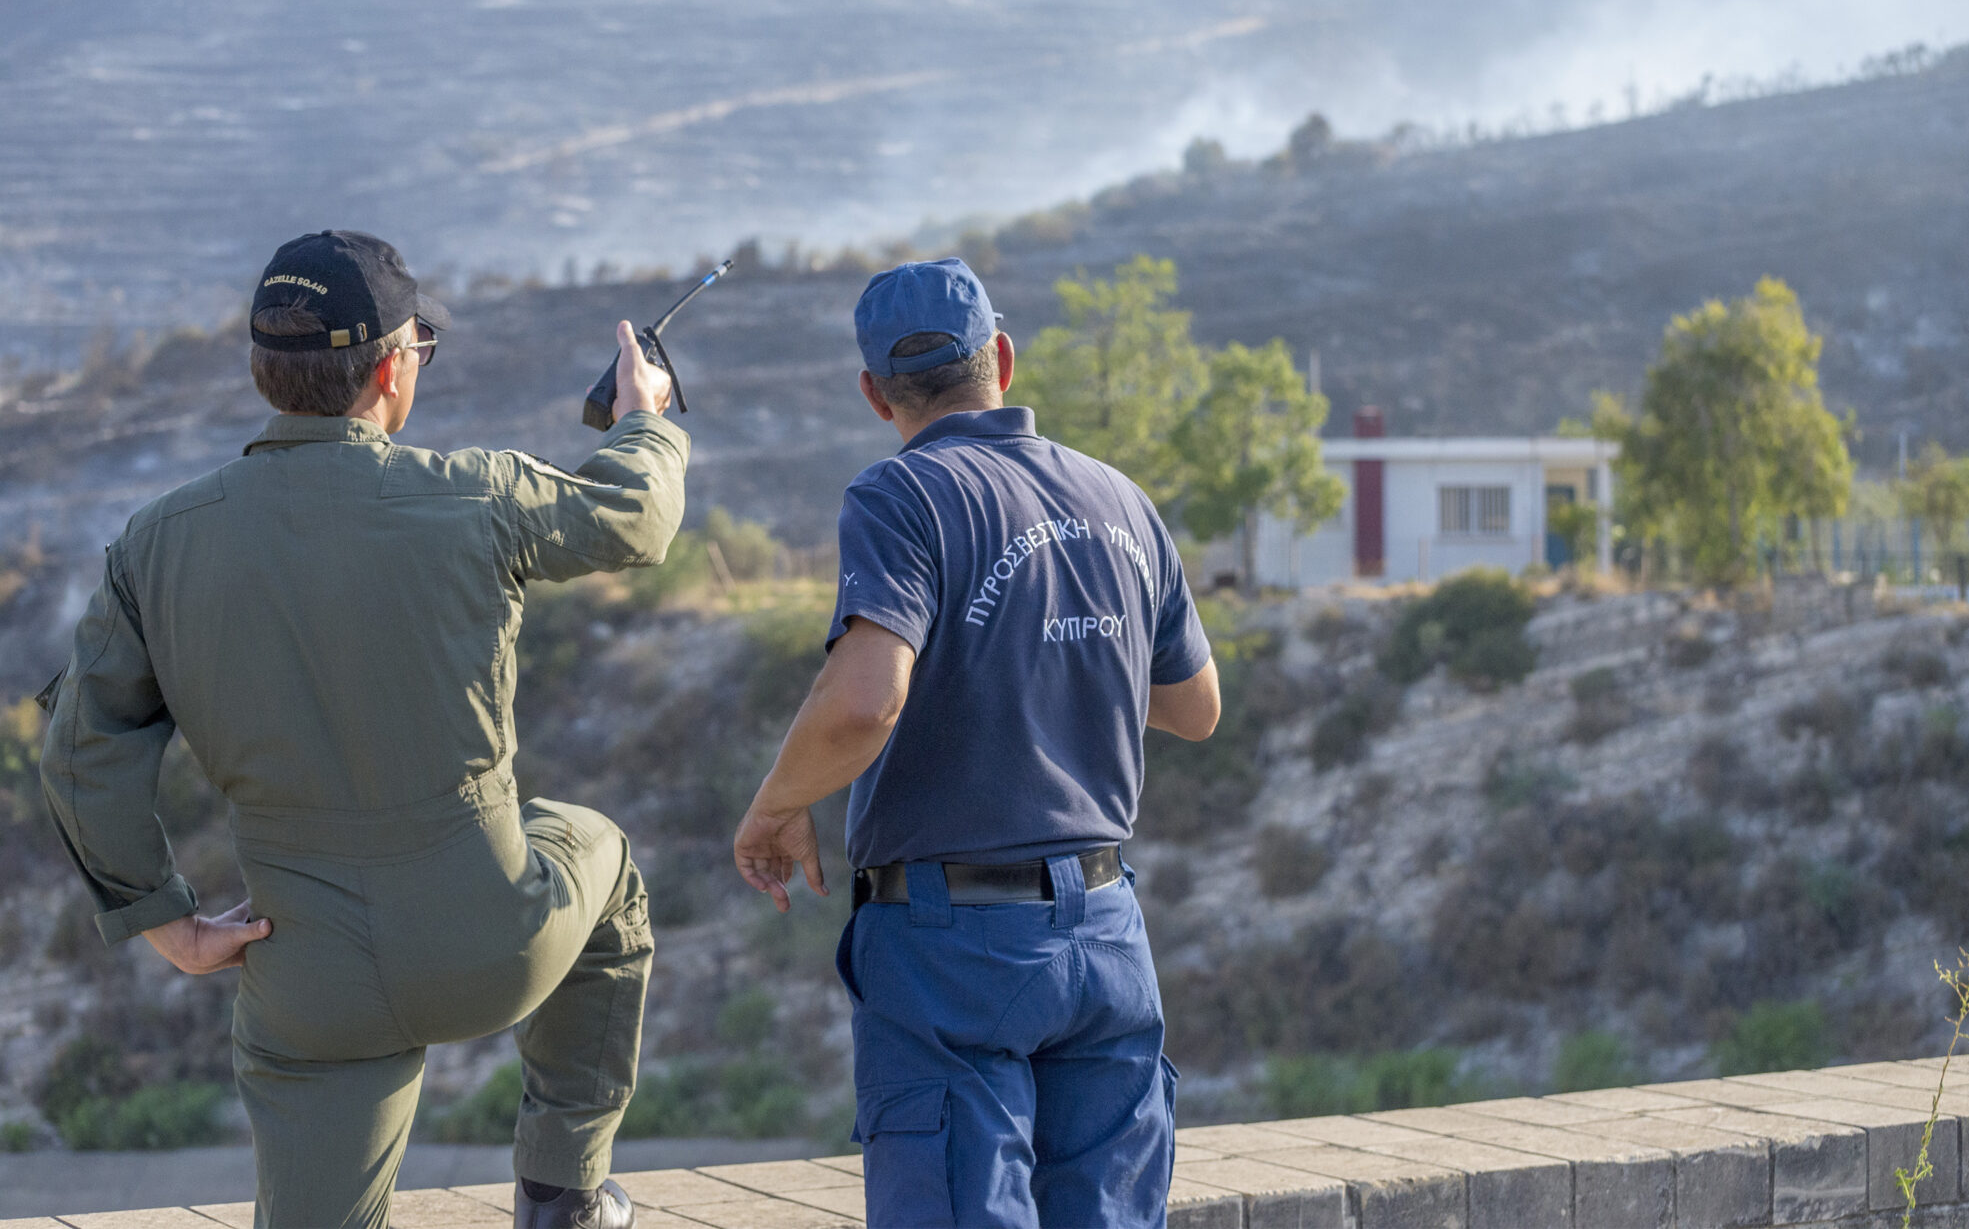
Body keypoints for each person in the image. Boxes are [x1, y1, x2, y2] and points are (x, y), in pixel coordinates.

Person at [39, 230, 686, 1229]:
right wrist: (644, 419)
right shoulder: (474, 491)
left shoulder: (154, 543)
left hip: (306, 979)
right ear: (391, 368)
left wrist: (164, 919)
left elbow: (83, 753)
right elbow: (636, 516)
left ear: (264, 368)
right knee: (601, 854)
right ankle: (563, 1189)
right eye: (421, 343)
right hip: (491, 943)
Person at [732, 257, 1221, 1228]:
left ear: (875, 393)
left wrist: (776, 805)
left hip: (952, 947)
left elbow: (864, 702)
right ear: (999, 356)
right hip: (1105, 931)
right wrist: (1056, 657)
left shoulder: (903, 494)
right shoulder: (1118, 497)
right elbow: (1195, 705)